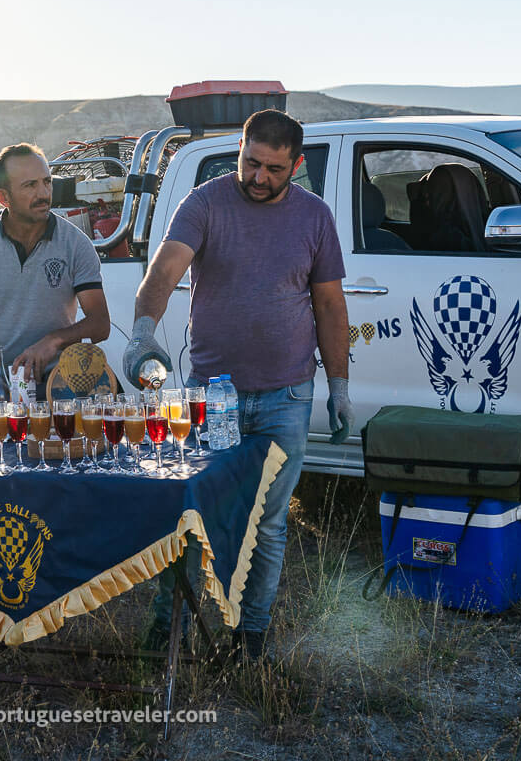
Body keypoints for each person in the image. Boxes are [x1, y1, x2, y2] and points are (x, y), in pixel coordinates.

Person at [124, 110, 353, 662]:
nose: (257, 177)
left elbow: (329, 304)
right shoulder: (205, 203)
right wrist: (143, 332)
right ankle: (169, 629)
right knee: (191, 515)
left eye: (273, 169)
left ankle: (251, 638)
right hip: (212, 397)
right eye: (250, 163)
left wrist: (340, 385)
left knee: (268, 523)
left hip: (286, 397)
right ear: (241, 152)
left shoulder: (314, 216)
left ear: (296, 165)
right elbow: (164, 272)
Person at [0, 143, 110, 398]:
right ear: (3, 198)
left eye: (47, 182)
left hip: (60, 382)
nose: (43, 193)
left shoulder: (75, 243)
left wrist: (54, 340)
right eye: (30, 185)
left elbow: (100, 324)